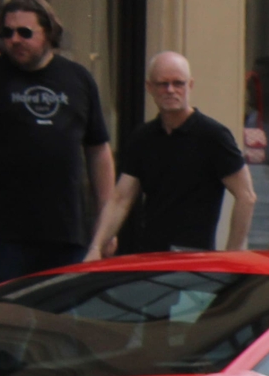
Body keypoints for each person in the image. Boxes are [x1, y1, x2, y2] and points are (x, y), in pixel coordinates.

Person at [0, 0, 114, 283]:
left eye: (25, 32)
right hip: (5, 233)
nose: (15, 39)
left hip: (66, 230)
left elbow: (99, 152)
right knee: (8, 317)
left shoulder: (78, 79)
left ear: (49, 34)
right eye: (8, 32)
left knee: (62, 317)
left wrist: (107, 225)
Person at [90, 52, 256, 257]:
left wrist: (233, 253)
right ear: (149, 87)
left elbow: (246, 196)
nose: (170, 90)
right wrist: (96, 247)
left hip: (194, 258)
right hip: (150, 255)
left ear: (190, 86)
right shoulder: (143, 137)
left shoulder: (213, 135)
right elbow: (121, 198)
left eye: (178, 83)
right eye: (162, 84)